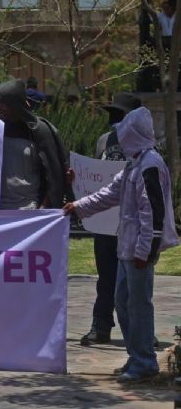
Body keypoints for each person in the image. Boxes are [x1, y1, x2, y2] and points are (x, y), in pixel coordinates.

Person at [64, 106, 179, 383]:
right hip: (128, 248)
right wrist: (79, 206)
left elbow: (152, 213)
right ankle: (136, 356)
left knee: (138, 306)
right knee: (123, 303)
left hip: (138, 250)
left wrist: (145, 251)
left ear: (134, 135)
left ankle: (144, 362)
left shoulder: (149, 165)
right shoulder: (134, 164)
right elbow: (109, 193)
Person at [81, 93, 143, 347]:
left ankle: (141, 331)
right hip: (105, 222)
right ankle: (101, 325)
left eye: (120, 115)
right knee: (105, 277)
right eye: (112, 115)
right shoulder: (103, 140)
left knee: (134, 281)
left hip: (132, 222)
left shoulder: (145, 146)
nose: (114, 120)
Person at [0, 79, 72, 210]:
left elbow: (54, 175)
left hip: (30, 211)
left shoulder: (39, 131)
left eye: (3, 104)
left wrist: (42, 210)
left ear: (15, 103)